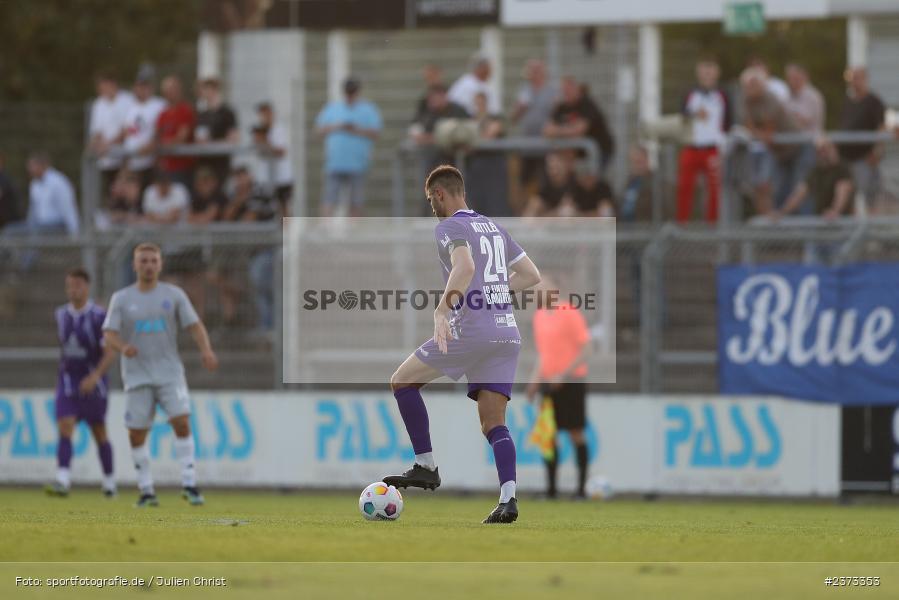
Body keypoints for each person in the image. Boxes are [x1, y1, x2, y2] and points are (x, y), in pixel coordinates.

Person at [382, 165, 542, 524]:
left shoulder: (449, 226)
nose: (432, 208)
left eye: (430, 200)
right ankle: (508, 499)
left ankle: (425, 465)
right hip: (506, 333)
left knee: (402, 381)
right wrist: (495, 291)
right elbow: (532, 275)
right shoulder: (495, 228)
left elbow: (465, 266)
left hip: (471, 329)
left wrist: (442, 308)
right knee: (493, 423)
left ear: (439, 194)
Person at [102, 242, 218, 507]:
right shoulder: (121, 299)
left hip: (169, 373)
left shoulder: (174, 295)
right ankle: (146, 491)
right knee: (136, 434)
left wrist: (207, 350)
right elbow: (109, 334)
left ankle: (189, 484)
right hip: (137, 376)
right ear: (134, 265)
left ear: (161, 265)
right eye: (143, 261)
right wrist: (123, 347)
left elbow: (195, 325)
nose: (149, 266)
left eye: (153, 261)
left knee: (182, 421)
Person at [45, 268, 118, 498]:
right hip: (68, 383)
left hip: (93, 384)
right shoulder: (60, 315)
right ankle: (62, 480)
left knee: (99, 432)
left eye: (77, 285)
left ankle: (109, 483)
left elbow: (110, 352)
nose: (73, 290)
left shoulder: (98, 316)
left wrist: (95, 377)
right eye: (69, 286)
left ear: (86, 287)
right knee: (65, 426)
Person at [526, 274, 592, 499]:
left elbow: (586, 349)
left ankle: (581, 489)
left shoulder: (570, 312)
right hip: (548, 384)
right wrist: (534, 382)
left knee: (575, 433)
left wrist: (564, 374)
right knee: (549, 434)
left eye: (542, 286)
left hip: (571, 381)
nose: (537, 291)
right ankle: (551, 490)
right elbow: (543, 355)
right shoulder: (539, 316)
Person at [741, 67, 812, 215]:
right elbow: (748, 126)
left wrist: (757, 133)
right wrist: (756, 133)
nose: (750, 88)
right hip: (780, 152)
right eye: (747, 84)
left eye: (753, 83)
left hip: (799, 148)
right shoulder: (747, 101)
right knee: (780, 192)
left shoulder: (770, 98)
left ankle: (807, 235)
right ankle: (784, 235)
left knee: (801, 190)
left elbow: (768, 131)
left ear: (762, 85)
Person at [314, 77, 382, 217]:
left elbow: (375, 133)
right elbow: (319, 131)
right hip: (335, 163)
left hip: (358, 163)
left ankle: (354, 234)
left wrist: (356, 130)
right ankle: (325, 233)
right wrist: (338, 126)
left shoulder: (368, 109)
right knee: (329, 200)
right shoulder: (332, 108)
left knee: (356, 202)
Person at [676, 58, 730, 223]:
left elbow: (728, 121)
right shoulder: (690, 94)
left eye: (710, 70)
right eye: (704, 70)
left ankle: (712, 225)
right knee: (684, 187)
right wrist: (694, 114)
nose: (707, 74)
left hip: (713, 149)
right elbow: (682, 117)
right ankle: (682, 223)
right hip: (692, 147)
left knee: (714, 189)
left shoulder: (722, 95)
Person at [770, 139, 853, 221]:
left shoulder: (842, 169)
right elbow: (799, 193)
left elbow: (842, 191)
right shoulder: (816, 171)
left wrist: (835, 211)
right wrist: (782, 212)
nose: (823, 154)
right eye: (819, 151)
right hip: (822, 221)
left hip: (842, 222)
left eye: (825, 149)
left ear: (834, 148)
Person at [544, 77, 614, 172]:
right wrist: (567, 131)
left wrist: (558, 130)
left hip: (599, 151)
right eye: (564, 91)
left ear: (577, 89)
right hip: (578, 154)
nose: (567, 93)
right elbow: (547, 130)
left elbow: (578, 130)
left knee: (590, 180)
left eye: (569, 89)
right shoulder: (561, 107)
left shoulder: (587, 104)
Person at [838, 67, 886, 204]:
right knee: (848, 197)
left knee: (869, 196)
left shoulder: (874, 102)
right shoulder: (848, 101)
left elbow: (881, 128)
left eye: (857, 78)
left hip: (865, 158)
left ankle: (871, 225)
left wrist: (876, 152)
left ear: (865, 79)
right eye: (852, 78)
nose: (854, 82)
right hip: (846, 158)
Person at [88, 72, 134, 207]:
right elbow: (97, 131)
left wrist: (108, 145)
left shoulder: (127, 100)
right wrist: (96, 145)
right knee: (111, 195)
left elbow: (128, 129)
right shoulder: (98, 104)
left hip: (124, 159)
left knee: (126, 195)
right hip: (106, 160)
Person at [512, 59, 558, 189]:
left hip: (546, 146)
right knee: (524, 182)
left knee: (546, 182)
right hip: (527, 146)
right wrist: (519, 108)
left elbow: (557, 116)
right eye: (531, 71)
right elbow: (514, 118)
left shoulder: (552, 92)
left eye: (537, 71)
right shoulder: (523, 91)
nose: (533, 74)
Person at [465, 92, 510, 217]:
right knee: (476, 201)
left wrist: (475, 140)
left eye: (481, 102)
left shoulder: (495, 118)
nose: (479, 105)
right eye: (477, 102)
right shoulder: (470, 120)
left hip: (494, 165)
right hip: (476, 165)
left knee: (496, 202)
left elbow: (492, 133)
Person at [123, 73, 167, 192]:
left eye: (145, 86)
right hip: (134, 162)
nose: (142, 90)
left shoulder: (159, 104)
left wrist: (152, 145)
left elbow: (163, 129)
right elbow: (127, 132)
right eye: (139, 86)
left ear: (151, 88)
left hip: (152, 161)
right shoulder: (131, 107)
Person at [195, 78, 238, 185]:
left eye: (206, 89)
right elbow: (199, 138)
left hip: (221, 162)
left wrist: (212, 144)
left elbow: (233, 138)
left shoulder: (227, 113)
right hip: (205, 163)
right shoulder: (202, 114)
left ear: (214, 90)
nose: (204, 93)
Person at [253, 102, 294, 213]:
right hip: (265, 177)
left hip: (282, 177)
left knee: (284, 208)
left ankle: (287, 230)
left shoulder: (279, 129)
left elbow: (281, 151)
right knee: (263, 208)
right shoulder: (259, 131)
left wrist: (265, 142)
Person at [156, 76, 196, 189]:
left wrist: (162, 144)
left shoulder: (185, 110)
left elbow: (181, 137)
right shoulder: (163, 114)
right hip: (165, 168)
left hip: (182, 167)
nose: (170, 93)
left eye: (173, 89)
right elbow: (157, 136)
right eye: (167, 90)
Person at [522, 152, 574, 217]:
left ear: (566, 165)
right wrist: (556, 213)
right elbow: (527, 219)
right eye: (551, 167)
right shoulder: (544, 189)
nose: (554, 171)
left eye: (557, 166)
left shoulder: (575, 184)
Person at [784, 63, 825, 134]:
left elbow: (803, 120)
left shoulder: (812, 96)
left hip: (810, 141)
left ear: (803, 76)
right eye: (788, 78)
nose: (790, 81)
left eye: (793, 78)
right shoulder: (788, 94)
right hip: (793, 140)